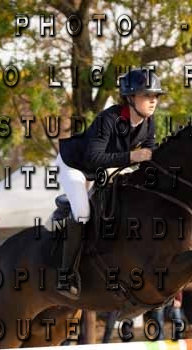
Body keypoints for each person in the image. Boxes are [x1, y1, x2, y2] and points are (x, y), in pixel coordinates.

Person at [54, 68, 163, 299]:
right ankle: (65, 276)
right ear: (130, 98)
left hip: (103, 168)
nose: (153, 100)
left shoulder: (148, 123)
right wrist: (131, 156)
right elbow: (93, 158)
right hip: (75, 165)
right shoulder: (108, 119)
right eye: (147, 95)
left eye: (155, 95)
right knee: (82, 213)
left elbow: (150, 156)